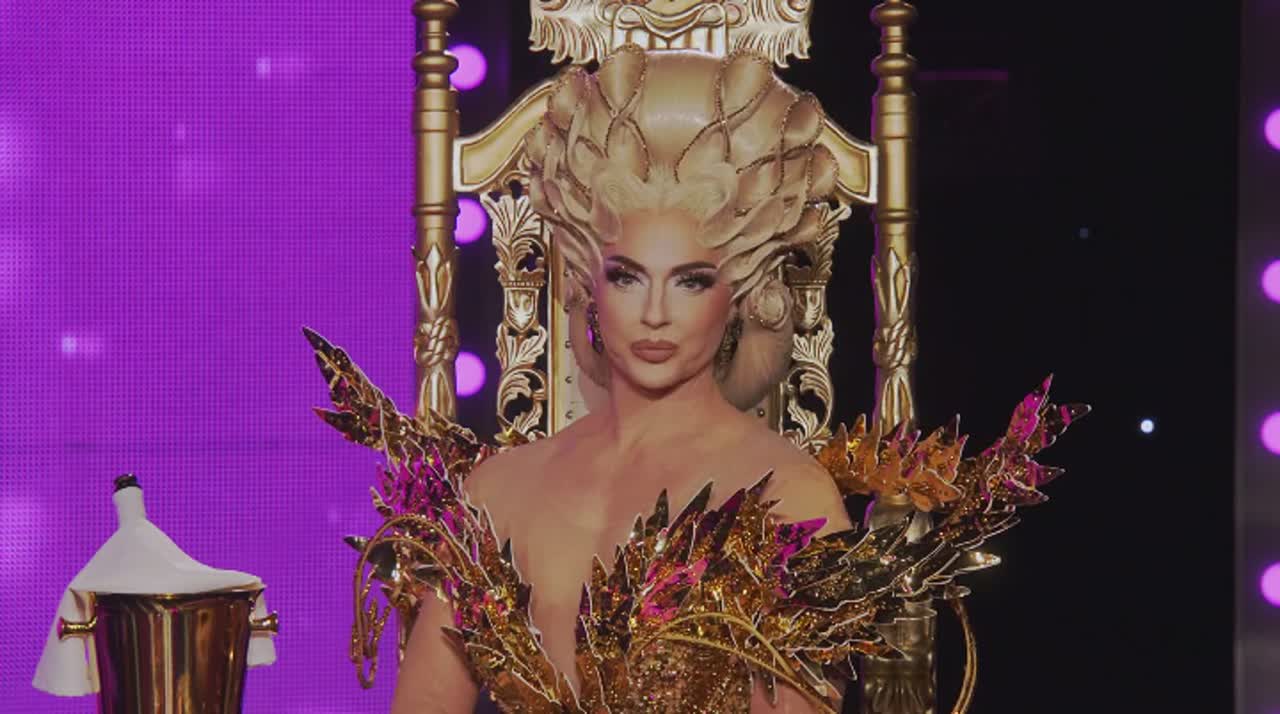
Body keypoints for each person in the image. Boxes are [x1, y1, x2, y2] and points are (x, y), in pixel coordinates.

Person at [391, 45, 853, 713]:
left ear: (739, 298)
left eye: (691, 282)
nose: (655, 312)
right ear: (589, 285)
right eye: (628, 276)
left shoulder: (788, 495)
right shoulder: (497, 492)